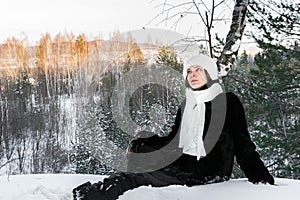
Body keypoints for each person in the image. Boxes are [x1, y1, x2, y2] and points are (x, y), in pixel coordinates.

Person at [73, 54, 274, 200]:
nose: (192, 75)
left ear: (210, 73)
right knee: (141, 153)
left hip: (206, 173)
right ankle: (98, 190)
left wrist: (260, 177)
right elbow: (175, 140)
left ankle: (92, 196)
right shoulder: (187, 104)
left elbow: (243, 143)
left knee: (133, 178)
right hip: (182, 163)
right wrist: (146, 141)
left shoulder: (226, 102)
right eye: (189, 71)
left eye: (198, 70)